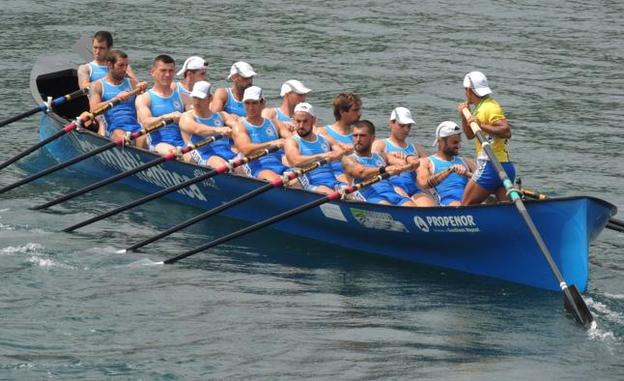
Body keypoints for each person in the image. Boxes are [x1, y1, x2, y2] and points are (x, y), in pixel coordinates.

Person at [458, 71, 515, 205]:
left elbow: (506, 131)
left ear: (469, 90)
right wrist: (463, 115)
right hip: (505, 167)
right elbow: (470, 135)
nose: (465, 94)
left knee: (465, 204)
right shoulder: (479, 108)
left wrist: (482, 126)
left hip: (490, 166)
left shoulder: (490, 107)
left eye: (465, 90)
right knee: (505, 209)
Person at [341, 120, 419, 206]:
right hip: (370, 197)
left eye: (362, 136)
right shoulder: (348, 159)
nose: (358, 139)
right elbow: (361, 172)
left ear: (372, 138)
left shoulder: (381, 156)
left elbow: (403, 164)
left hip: (391, 194)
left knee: (412, 207)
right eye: (355, 136)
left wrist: (410, 159)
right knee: (389, 208)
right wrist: (385, 169)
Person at [372, 107, 435, 206]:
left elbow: (428, 173)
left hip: (414, 188)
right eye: (402, 125)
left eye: (409, 126)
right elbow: (372, 167)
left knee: (428, 208)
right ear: (391, 123)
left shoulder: (417, 149)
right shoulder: (380, 145)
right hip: (392, 186)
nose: (406, 130)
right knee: (409, 206)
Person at [231, 86, 293, 181]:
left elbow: (294, 141)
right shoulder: (239, 126)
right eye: (247, 103)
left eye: (254, 103)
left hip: (279, 163)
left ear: (263, 103)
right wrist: (271, 144)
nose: (250, 107)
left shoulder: (275, 123)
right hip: (255, 165)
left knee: (299, 180)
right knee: (276, 180)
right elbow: (246, 149)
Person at [284, 102, 346, 194]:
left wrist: (343, 151)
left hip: (332, 180)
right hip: (311, 183)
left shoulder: (325, 138)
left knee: (353, 194)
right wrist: (322, 156)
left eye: (305, 121)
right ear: (293, 121)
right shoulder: (292, 141)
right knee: (330, 193)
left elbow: (340, 153)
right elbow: (295, 161)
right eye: (298, 121)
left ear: (313, 120)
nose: (301, 126)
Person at [88, 50, 148, 145]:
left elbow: (145, 104)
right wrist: (116, 99)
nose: (124, 69)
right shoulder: (97, 86)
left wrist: (144, 92)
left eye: (126, 65)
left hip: (135, 126)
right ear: (110, 65)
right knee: (121, 137)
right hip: (114, 128)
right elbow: (93, 110)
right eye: (121, 65)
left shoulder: (132, 83)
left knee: (144, 139)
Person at [178, 81, 238, 168]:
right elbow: (197, 129)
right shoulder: (186, 117)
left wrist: (242, 124)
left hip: (227, 151)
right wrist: (220, 130)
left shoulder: (222, 115)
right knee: (220, 164)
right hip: (206, 155)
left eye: (201, 98)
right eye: (195, 97)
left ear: (210, 98)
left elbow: (238, 127)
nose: (196, 102)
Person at [417, 121, 477, 206]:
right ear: (441, 141)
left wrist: (467, 174)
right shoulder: (426, 162)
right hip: (446, 205)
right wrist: (449, 170)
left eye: (459, 142)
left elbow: (483, 180)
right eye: (455, 142)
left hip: (467, 202)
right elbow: (424, 183)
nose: (459, 146)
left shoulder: (467, 162)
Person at [135, 54, 185, 155]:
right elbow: (146, 122)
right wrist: (166, 117)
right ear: (152, 72)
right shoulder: (144, 98)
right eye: (163, 70)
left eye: (170, 71)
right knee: (174, 153)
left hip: (182, 143)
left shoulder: (183, 97)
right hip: (158, 143)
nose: (167, 74)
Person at [317, 92, 362, 181]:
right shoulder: (323, 132)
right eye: (355, 110)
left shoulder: (360, 134)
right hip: (335, 177)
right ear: (342, 112)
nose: (359, 113)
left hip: (357, 173)